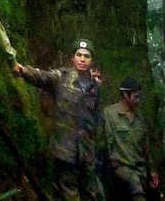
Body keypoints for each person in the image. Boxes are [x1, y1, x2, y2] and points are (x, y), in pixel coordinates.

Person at [14, 37, 101, 201]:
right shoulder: (62, 78)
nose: (82, 59)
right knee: (69, 194)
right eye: (79, 55)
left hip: (87, 153)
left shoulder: (95, 88)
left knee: (91, 194)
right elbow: (42, 77)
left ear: (92, 60)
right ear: (72, 58)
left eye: (87, 56)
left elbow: (95, 119)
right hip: (65, 150)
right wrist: (22, 70)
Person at [103, 76, 159, 201]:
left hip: (140, 170)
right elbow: (107, 139)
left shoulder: (140, 117)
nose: (138, 100)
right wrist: (110, 157)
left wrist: (152, 171)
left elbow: (146, 147)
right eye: (135, 96)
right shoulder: (110, 114)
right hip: (121, 168)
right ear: (125, 95)